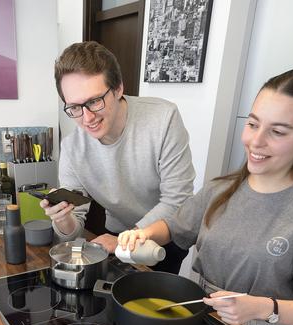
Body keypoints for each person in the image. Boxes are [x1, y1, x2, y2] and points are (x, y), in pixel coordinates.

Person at [118, 67, 293, 325]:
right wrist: (144, 233)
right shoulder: (221, 190)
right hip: (198, 324)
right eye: (253, 124)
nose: (256, 141)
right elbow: (175, 226)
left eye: (278, 132)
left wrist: (262, 308)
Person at [42, 41, 196, 273]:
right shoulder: (73, 148)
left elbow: (178, 200)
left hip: (165, 233)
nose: (87, 118)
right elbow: (74, 230)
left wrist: (128, 238)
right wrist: (62, 218)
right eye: (74, 107)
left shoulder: (163, 118)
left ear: (118, 89)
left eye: (94, 101)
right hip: (118, 233)